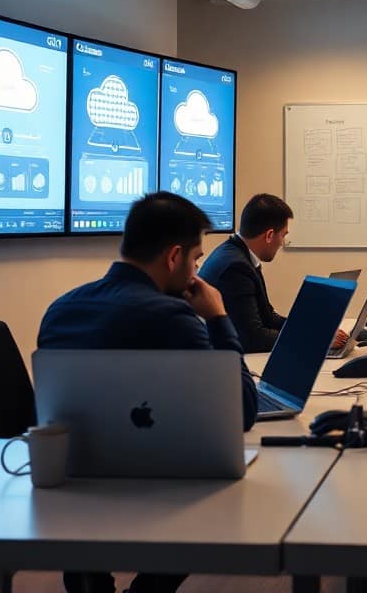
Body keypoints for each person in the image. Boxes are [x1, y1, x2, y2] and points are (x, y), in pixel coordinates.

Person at [38, 191, 258, 593]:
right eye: (196, 259)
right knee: (226, 491)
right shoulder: (171, 316)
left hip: (69, 480)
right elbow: (242, 410)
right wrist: (218, 318)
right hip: (155, 481)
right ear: (174, 257)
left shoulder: (60, 308)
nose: (197, 271)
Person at [199, 193, 346, 353]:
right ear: (269, 235)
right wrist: (315, 339)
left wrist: (314, 330)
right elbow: (253, 338)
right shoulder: (235, 267)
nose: (282, 243)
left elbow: (268, 317)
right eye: (283, 235)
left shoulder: (239, 256)